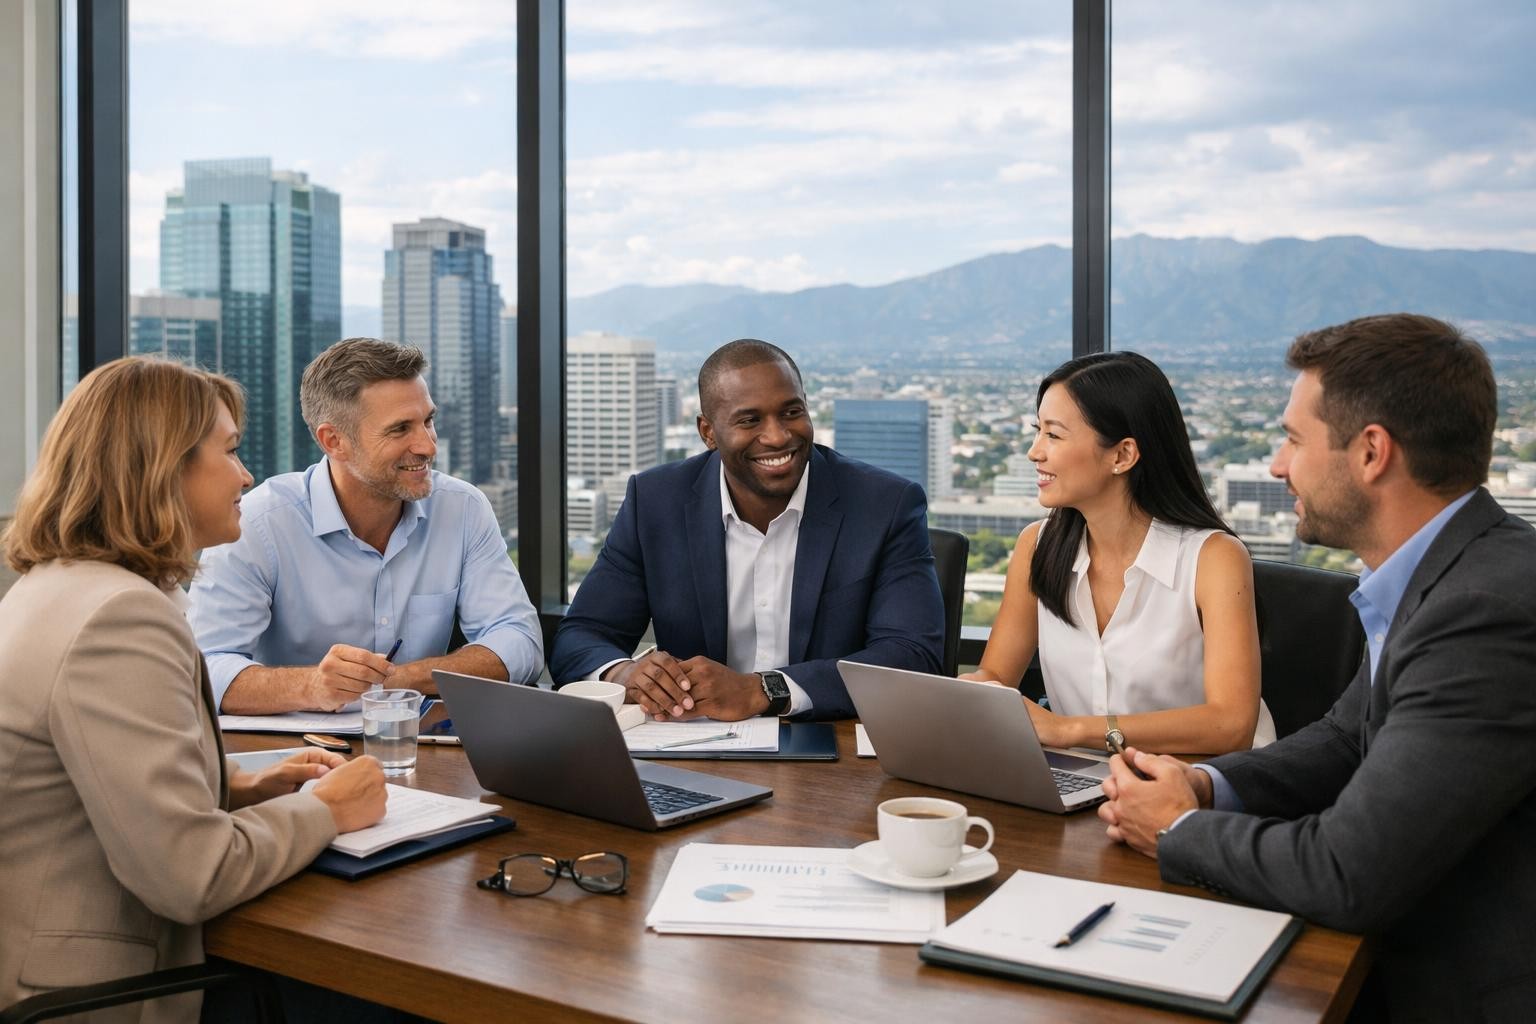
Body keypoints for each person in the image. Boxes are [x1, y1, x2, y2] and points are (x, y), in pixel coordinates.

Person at [1099, 314, 1536, 1023]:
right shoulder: (1447, 572)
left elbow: (1347, 872)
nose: (1277, 464)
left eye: (1295, 440)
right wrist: (1205, 784)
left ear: (1371, 453)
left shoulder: (1483, 613)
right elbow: (1343, 738)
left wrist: (1180, 828)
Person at [0, 358, 387, 1021]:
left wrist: (238, 787)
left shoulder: (51, 587)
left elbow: (75, 780)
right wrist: (328, 807)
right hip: (91, 998)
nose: (245, 475)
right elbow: (192, 876)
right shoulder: (119, 618)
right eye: (230, 451)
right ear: (161, 468)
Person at [549, 338, 944, 721]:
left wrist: (763, 690)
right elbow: (581, 636)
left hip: (832, 744)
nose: (777, 436)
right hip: (692, 746)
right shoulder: (654, 503)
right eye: (749, 420)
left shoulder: (885, 505)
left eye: (791, 412)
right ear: (708, 433)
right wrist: (626, 676)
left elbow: (911, 655)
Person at [189, 338, 543, 714]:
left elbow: (520, 640)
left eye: (428, 421)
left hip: (413, 748)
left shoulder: (463, 508)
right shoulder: (258, 524)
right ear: (334, 441)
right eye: (400, 429)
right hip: (294, 758)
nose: (427, 446)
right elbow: (203, 669)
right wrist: (312, 686)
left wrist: (398, 680)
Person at [962, 352, 1273, 754]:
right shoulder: (1036, 546)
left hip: (1205, 790)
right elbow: (995, 675)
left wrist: (1069, 730)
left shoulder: (1214, 558)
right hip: (1089, 782)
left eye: (1053, 435)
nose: (1034, 452)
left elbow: (1231, 725)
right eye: (1037, 431)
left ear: (1123, 455)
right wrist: (960, 695)